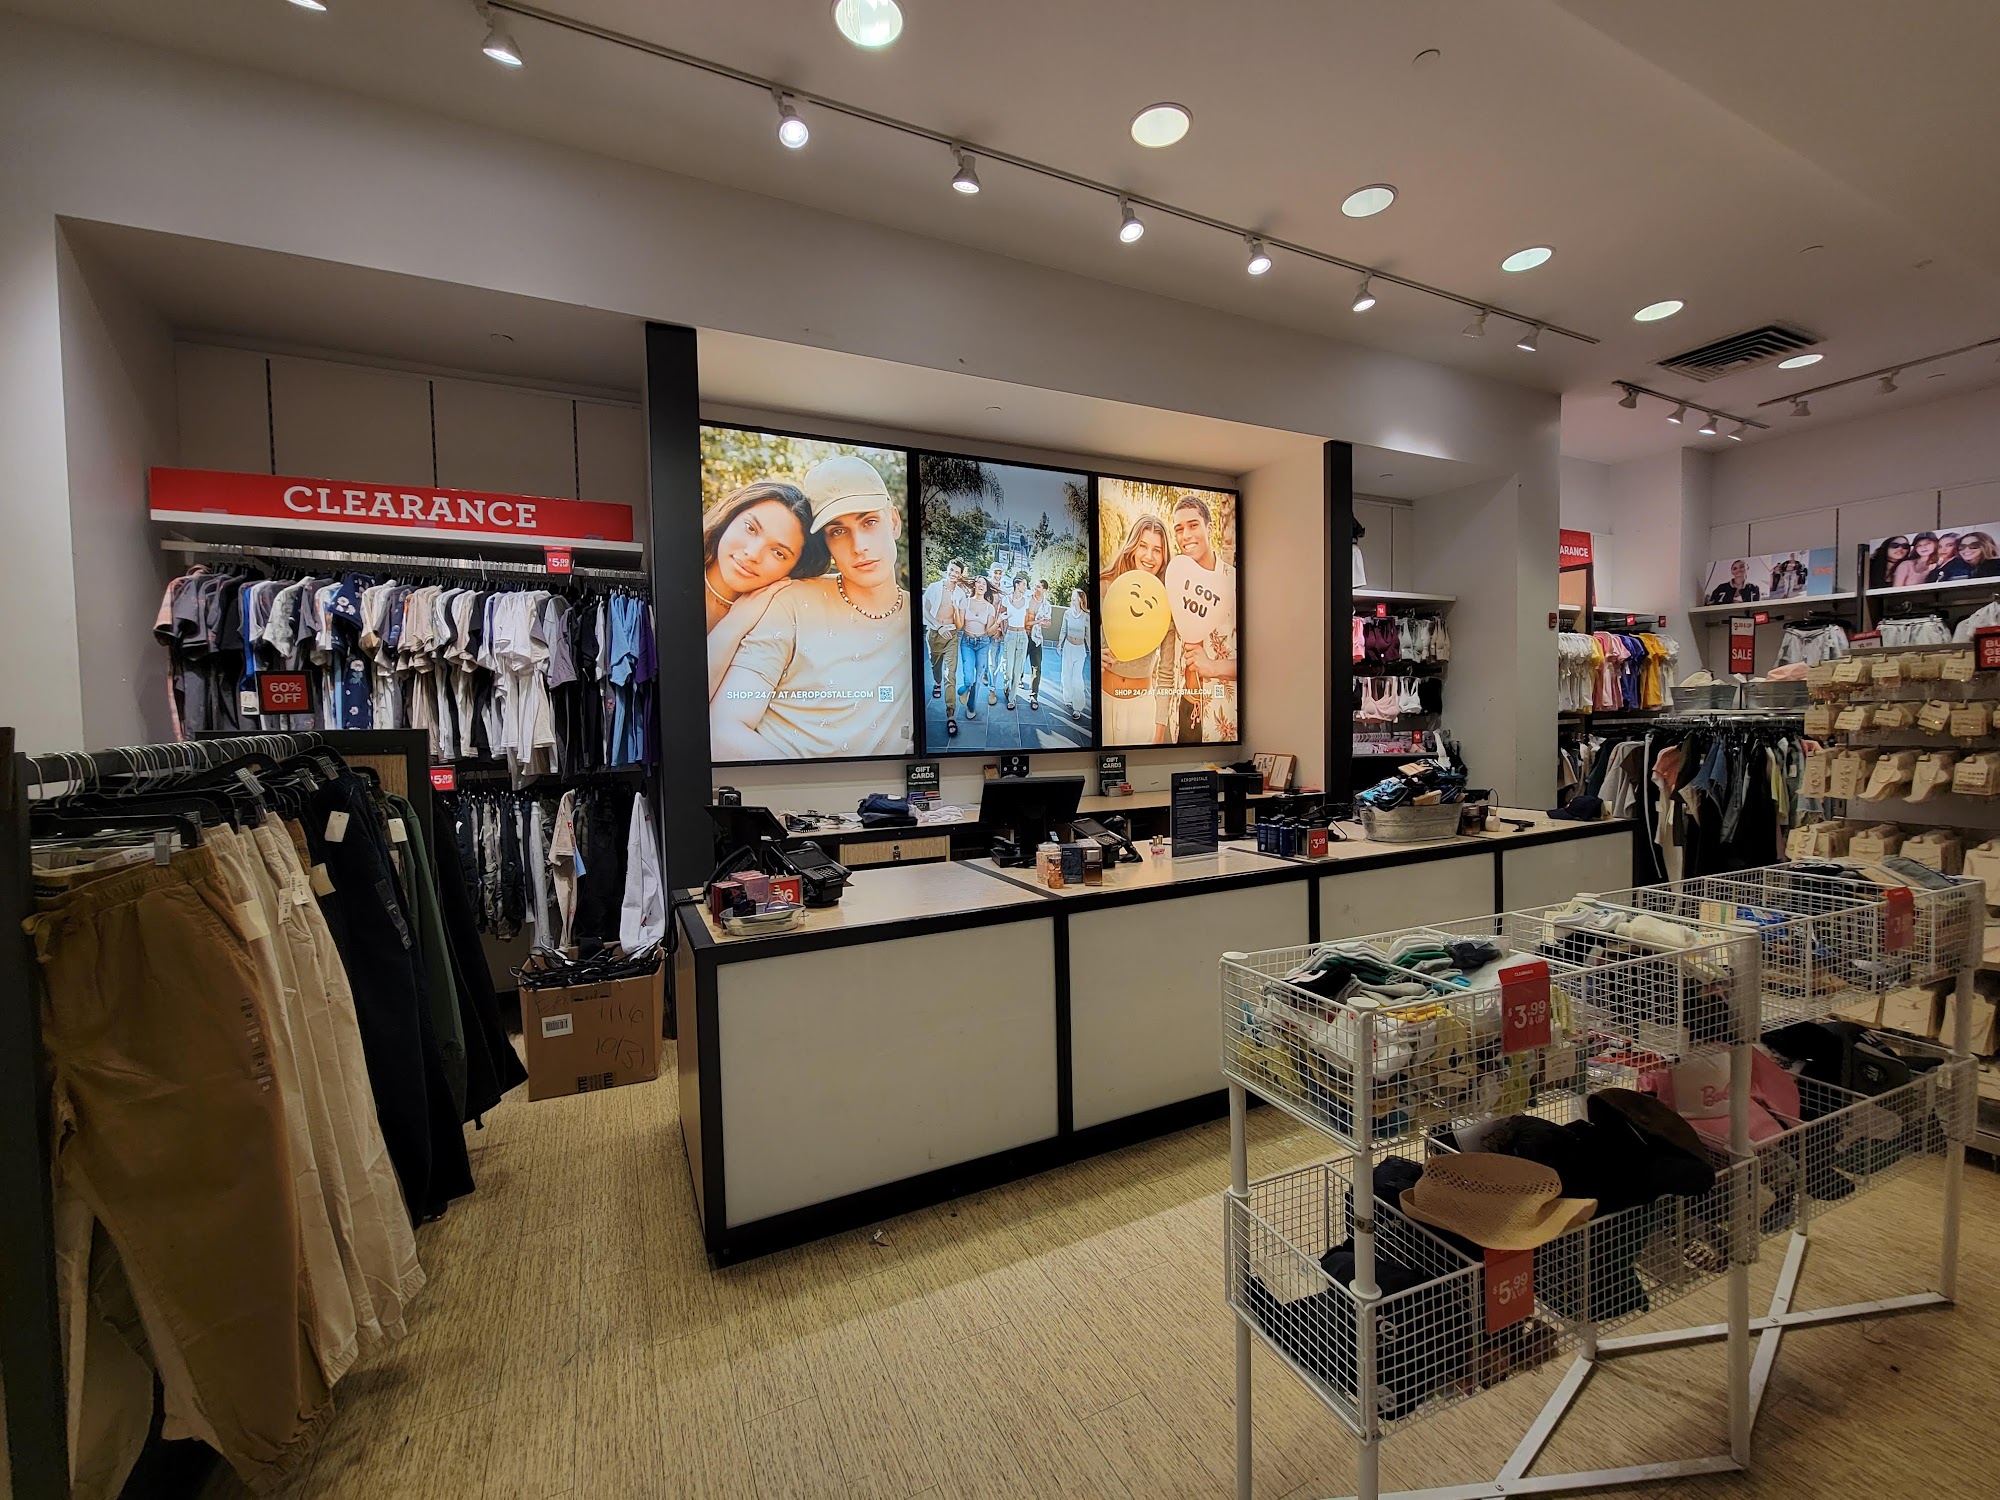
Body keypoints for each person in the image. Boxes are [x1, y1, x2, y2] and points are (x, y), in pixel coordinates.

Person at [711, 454, 911, 760]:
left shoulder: (922, 616)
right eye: (838, 531)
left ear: (894, 522)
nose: (859, 546)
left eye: (869, 521)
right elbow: (722, 730)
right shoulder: (791, 602)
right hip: (786, 786)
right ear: (825, 543)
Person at [701, 481, 828, 700]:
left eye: (778, 553)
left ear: (794, 569)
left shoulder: (776, 621)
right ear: (730, 518)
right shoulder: (668, 568)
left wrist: (735, 625)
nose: (752, 554)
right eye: (751, 528)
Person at [1166, 494, 1238, 743]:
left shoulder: (1235, 583)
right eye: (1179, 529)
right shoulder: (1174, 580)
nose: (1185, 535)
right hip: (1180, 714)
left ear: (1210, 528)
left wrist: (1214, 667)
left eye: (1193, 525)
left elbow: (1268, 662)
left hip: (1221, 719)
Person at [1100, 515, 1172, 744]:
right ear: (1132, 547)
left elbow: (1166, 674)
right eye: (1143, 546)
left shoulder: (1166, 602)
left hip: (1142, 711)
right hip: (1102, 704)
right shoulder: (1104, 586)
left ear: (1164, 557)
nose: (1149, 556)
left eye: (1157, 550)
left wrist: (1159, 733)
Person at [922, 557, 964, 712]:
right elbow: (924, 610)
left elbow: (960, 625)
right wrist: (939, 627)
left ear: (960, 575)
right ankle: (937, 682)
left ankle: (950, 713)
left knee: (950, 674)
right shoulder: (934, 587)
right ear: (947, 569)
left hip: (951, 635)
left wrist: (956, 610)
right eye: (951, 570)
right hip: (934, 633)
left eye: (957, 572)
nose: (953, 573)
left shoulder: (960, 594)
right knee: (935, 665)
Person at [954, 576, 997, 726]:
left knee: (978, 680)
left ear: (986, 588)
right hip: (967, 643)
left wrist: (998, 622)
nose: (981, 585)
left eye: (984, 583)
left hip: (983, 644)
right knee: (969, 679)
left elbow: (989, 631)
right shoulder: (965, 602)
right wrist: (955, 609)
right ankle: (963, 690)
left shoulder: (990, 607)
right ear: (974, 585)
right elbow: (959, 626)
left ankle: (971, 706)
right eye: (979, 582)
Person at [1060, 587, 1091, 712]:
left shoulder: (1086, 616)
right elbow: (1063, 630)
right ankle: (1067, 699)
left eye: (1075, 596)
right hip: (1068, 647)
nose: (1072, 598)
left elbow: (1088, 635)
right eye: (1072, 596)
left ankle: (1078, 707)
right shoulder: (1067, 613)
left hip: (1079, 649)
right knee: (1066, 674)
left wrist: (1091, 650)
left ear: (1080, 599)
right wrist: (1059, 644)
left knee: (1077, 678)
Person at [1025, 579, 1052, 713]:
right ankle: (1012, 689)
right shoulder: (1026, 598)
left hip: (1036, 638)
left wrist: (1044, 623)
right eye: (1035, 586)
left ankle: (1033, 696)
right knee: (1017, 665)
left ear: (1045, 590)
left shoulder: (1047, 605)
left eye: (1039, 587)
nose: (1036, 589)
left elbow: (1049, 624)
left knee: (1036, 668)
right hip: (1022, 635)